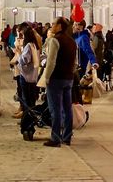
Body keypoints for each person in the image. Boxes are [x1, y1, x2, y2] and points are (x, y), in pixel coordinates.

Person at [37, 17, 77, 147]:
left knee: (56, 109)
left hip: (56, 79)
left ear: (60, 26)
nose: (51, 26)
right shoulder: (72, 41)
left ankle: (55, 138)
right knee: (67, 109)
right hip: (68, 78)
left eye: (54, 24)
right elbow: (75, 62)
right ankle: (67, 137)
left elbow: (51, 61)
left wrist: (46, 77)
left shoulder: (55, 40)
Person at [17, 25, 41, 140]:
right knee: (32, 102)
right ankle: (31, 125)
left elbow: (24, 60)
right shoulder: (35, 46)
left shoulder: (27, 46)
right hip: (34, 78)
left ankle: (27, 127)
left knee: (26, 103)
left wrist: (18, 55)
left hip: (26, 76)